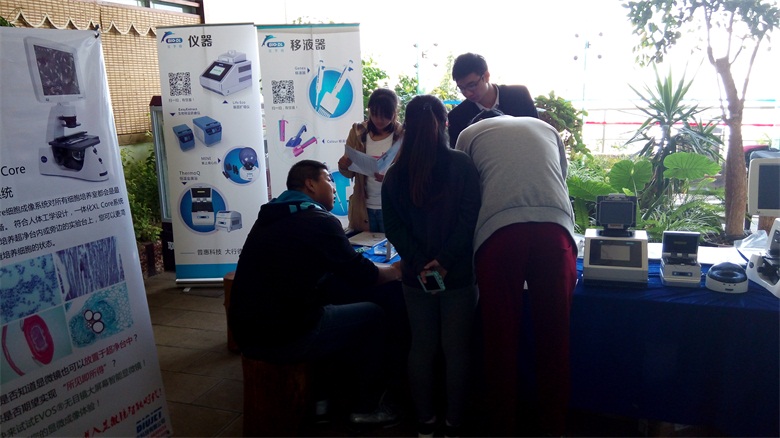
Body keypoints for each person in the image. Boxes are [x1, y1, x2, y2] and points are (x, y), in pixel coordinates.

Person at [228, 160, 403, 428]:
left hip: (247, 332)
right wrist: (396, 270)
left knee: (332, 302)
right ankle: (368, 407)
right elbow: (363, 275)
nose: (334, 187)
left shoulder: (273, 213)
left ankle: (322, 399)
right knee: (374, 316)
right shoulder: (318, 220)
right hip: (283, 337)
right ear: (310, 184)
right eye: (328, 180)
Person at [455, 110, 578, 436]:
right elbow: (560, 177)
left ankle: (502, 427)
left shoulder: (468, 135)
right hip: (555, 228)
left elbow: (466, 192)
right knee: (555, 335)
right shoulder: (546, 128)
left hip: (500, 231)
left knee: (500, 338)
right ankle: (553, 427)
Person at [382, 95, 482, 438]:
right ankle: (454, 423)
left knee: (421, 348)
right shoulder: (462, 165)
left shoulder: (394, 174)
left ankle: (424, 423)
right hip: (458, 276)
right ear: (446, 123)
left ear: (405, 127)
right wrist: (446, 261)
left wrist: (419, 261)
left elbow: (393, 227)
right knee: (457, 352)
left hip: (416, 277)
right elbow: (469, 219)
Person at [338, 88, 404, 232]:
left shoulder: (402, 135)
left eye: (385, 115)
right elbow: (349, 173)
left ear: (395, 112)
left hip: (392, 207)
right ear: (369, 110)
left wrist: (390, 178)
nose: (379, 120)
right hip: (363, 206)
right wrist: (344, 165)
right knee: (362, 244)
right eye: (374, 114)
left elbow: (411, 175)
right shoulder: (357, 132)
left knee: (391, 245)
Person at [447, 52, 539, 148]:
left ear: (486, 76)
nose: (467, 93)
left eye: (472, 85)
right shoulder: (457, 117)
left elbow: (537, 130)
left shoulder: (519, 96)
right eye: (462, 88)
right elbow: (460, 153)